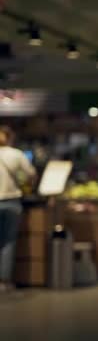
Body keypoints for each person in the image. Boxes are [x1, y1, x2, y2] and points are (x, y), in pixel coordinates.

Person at [0, 125, 36, 292]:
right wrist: (27, 186)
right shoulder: (17, 154)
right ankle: (4, 281)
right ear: (11, 138)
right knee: (8, 242)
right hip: (11, 202)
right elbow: (31, 175)